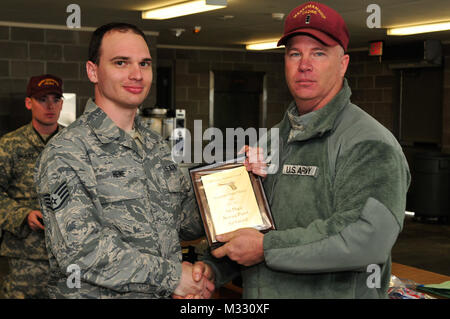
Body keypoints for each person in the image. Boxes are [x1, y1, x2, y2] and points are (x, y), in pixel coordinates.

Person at [192, 1, 411, 298]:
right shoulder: (269, 142)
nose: (304, 65)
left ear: (343, 63)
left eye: (318, 53)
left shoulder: (369, 144)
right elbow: (251, 232)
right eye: (295, 53)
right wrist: (213, 269)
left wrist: (266, 248)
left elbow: (365, 239)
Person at [34, 23, 213, 299]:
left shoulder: (155, 146)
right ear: (92, 71)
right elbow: (81, 253)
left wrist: (237, 181)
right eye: (121, 62)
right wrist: (174, 277)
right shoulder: (67, 151)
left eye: (144, 64)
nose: (136, 74)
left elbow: (184, 222)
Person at [0, 74, 64, 298]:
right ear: (29, 103)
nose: (50, 106)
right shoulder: (10, 145)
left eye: (55, 99)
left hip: (68, 256)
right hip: (24, 258)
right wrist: (23, 214)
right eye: (42, 99)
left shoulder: (75, 144)